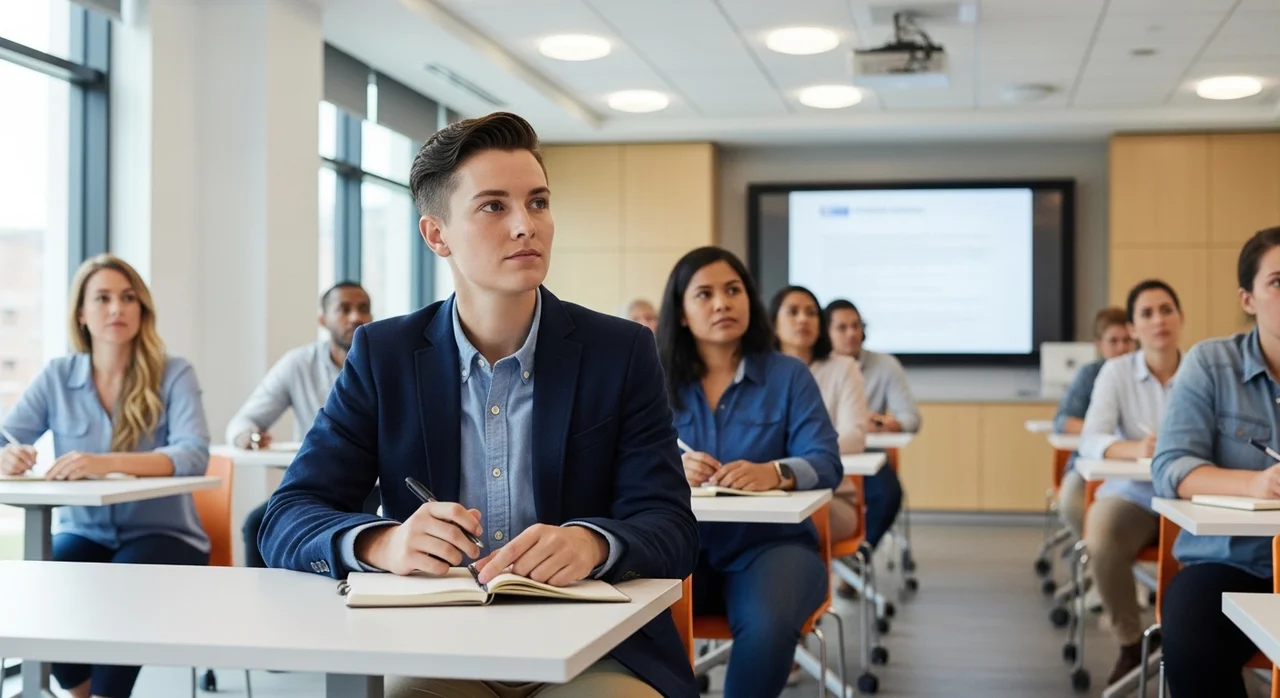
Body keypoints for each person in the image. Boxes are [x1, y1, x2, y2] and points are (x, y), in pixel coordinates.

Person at [258, 112, 698, 698]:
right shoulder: (383, 355)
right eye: (494, 206)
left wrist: (592, 541)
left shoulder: (621, 352)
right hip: (437, 643)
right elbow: (287, 517)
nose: (526, 226)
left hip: (592, 646)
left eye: (538, 203)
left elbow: (672, 528)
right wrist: (381, 542)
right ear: (436, 235)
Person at [0, 254, 210, 698]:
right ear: (81, 312)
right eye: (103, 298)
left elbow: (193, 455)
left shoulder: (174, 372)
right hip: (85, 529)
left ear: (142, 309)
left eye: (128, 298)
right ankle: (82, 690)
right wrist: (8, 456)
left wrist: (106, 460)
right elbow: (4, 437)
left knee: (122, 580)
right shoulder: (58, 375)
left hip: (166, 535)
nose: (116, 309)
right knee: (45, 576)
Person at [659, 247, 840, 698]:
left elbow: (826, 461)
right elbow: (619, 468)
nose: (722, 303)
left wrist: (776, 472)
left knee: (767, 625)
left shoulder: (788, 375)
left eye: (733, 290)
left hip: (772, 549)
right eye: (704, 294)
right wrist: (671, 470)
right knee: (627, 625)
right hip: (680, 550)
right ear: (681, 314)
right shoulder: (655, 379)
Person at [1153, 227, 1280, 698]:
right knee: (1193, 641)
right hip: (1230, 564)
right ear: (1248, 299)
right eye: (1278, 282)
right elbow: (1171, 467)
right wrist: (1254, 484)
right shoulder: (1212, 363)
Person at [1079, 279, 1184, 684]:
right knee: (1101, 535)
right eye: (1147, 313)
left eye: (1166, 309)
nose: (1159, 320)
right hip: (1136, 497)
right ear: (1134, 328)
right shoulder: (1116, 372)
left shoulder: (1201, 369)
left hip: (1192, 498)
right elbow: (1091, 439)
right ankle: (1130, 642)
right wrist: (1137, 448)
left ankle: (1203, 649)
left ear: (1180, 317)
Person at [225, 281, 373, 568]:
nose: (356, 316)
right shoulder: (299, 364)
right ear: (323, 319)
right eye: (344, 309)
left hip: (374, 486)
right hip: (322, 485)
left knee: (363, 527)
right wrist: (250, 437)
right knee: (259, 525)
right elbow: (241, 423)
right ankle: (267, 608)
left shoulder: (381, 362)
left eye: (363, 309)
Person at [771, 285, 869, 541]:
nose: (803, 319)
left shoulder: (843, 367)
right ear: (773, 324)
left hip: (828, 492)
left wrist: (789, 464)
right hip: (764, 495)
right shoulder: (759, 373)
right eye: (793, 312)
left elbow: (855, 437)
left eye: (812, 313)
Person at [825, 299, 911, 552]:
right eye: (842, 328)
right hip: (824, 454)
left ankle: (861, 553)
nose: (852, 333)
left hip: (866, 453)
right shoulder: (811, 367)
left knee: (888, 494)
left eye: (857, 326)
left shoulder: (885, 365)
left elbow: (911, 418)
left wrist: (885, 424)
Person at [1054, 307, 1135, 536]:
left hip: (1134, 464)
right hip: (1091, 463)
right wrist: (1102, 432)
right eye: (1114, 341)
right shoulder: (1090, 374)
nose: (1122, 347)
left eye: (1127, 340)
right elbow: (1062, 421)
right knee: (1072, 503)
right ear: (1099, 344)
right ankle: (1094, 556)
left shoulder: (1142, 371)